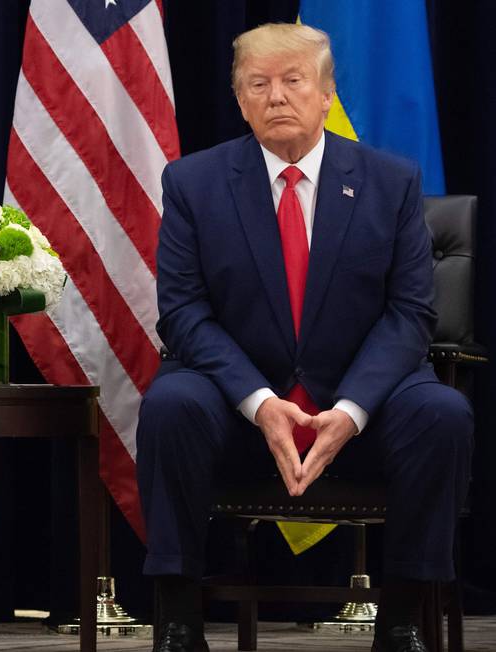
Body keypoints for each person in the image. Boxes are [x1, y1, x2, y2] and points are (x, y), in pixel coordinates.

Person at [136, 23, 472, 652]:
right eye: (258, 85)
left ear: (325, 94)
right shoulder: (194, 184)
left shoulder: (391, 182)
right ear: (240, 100)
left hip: (359, 409)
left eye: (294, 81)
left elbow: (409, 314)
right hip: (237, 412)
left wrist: (349, 411)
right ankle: (178, 620)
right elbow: (183, 312)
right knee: (170, 405)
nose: (277, 97)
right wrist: (260, 403)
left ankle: (402, 620)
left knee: (442, 413)